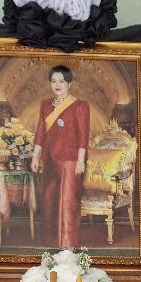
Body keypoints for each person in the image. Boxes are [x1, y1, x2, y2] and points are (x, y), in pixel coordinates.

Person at [31, 65, 90, 249]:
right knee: (49, 201)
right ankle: (51, 242)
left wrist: (81, 160)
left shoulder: (80, 105)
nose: (57, 85)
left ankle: (68, 245)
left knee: (67, 202)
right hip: (49, 159)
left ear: (69, 84)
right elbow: (40, 131)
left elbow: (83, 134)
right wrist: (35, 156)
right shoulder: (45, 105)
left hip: (70, 160)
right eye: (54, 81)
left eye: (62, 81)